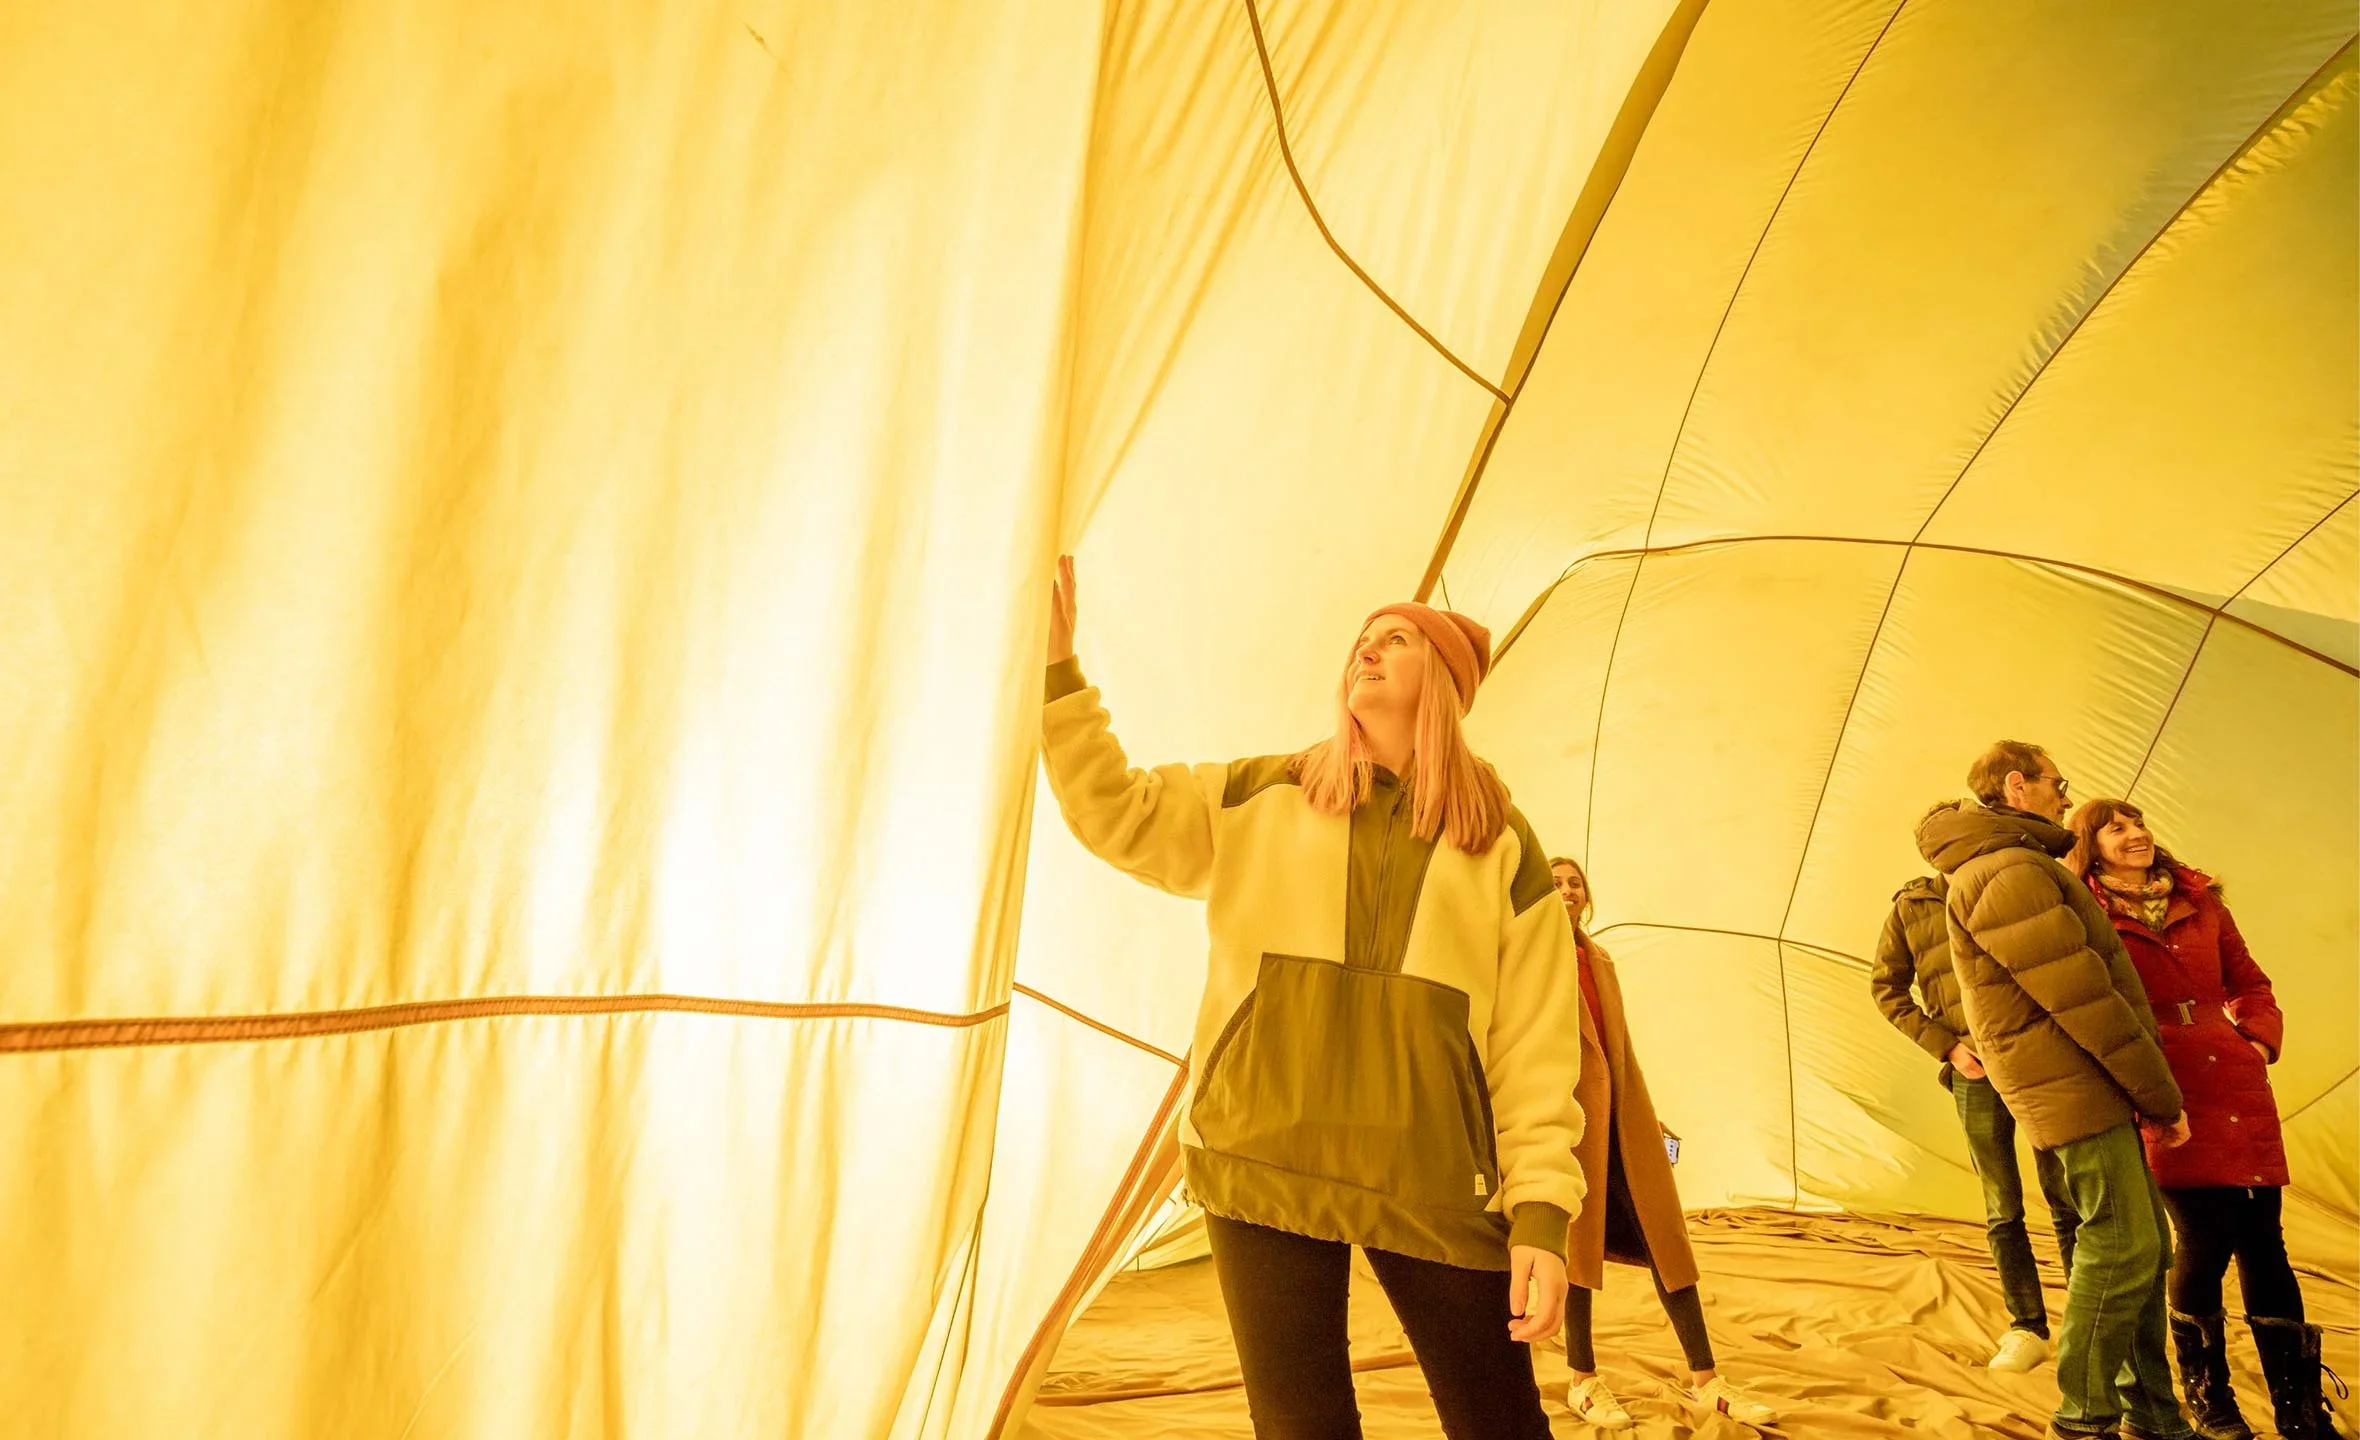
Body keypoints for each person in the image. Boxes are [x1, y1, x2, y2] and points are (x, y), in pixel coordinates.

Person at [1038, 555, 1587, 1440]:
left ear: (1442, 681)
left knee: (1501, 1424)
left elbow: (1535, 1054)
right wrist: (1058, 675)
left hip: (1433, 1179)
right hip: (1263, 1155)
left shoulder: (1504, 847)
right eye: (1362, 642)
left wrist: (1542, 1217)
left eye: (1396, 640)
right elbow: (1120, 812)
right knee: (1302, 1428)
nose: (1366, 652)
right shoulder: (1267, 792)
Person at [1916, 741, 2194, 1440]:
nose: (2066, 797)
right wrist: (2160, 1097)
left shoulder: (2012, 867)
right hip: (2073, 1087)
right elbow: (2084, 999)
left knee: (2143, 1246)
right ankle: (2084, 1417)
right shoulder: (2008, 872)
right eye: (2057, 783)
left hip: (2081, 1084)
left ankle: (2154, 1416)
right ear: (2018, 785)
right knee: (2124, 1246)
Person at [2068, 798, 2344, 1440]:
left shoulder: (2202, 900)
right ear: (2092, 844)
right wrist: (2137, 1085)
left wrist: (2258, 1039)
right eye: (2116, 828)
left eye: (2139, 823)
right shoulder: (2084, 912)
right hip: (2164, 1082)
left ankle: (2297, 1408)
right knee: (2202, 1239)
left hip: (2235, 1079)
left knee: (2265, 1242)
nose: (2135, 834)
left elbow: (2251, 981)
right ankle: (2208, 1397)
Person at [1548, 856, 1778, 1428]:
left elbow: (1618, 1047)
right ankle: (1582, 1379)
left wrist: (1646, 1118)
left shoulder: (1598, 960)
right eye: (1553, 883)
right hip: (1566, 1122)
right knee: (1574, 1248)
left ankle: (1707, 1380)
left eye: (1575, 883)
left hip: (1621, 1119)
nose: (1568, 891)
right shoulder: (1526, 956)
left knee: (1667, 1239)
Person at [1870, 836, 2080, 1373]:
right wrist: (1947, 1047)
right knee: (2001, 1202)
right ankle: (2027, 1326)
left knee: (2065, 1191)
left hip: (2037, 1061)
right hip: (1975, 1070)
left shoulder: (2014, 889)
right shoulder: (1911, 909)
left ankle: (2088, 1319)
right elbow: (1887, 989)